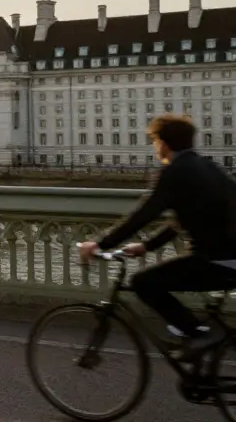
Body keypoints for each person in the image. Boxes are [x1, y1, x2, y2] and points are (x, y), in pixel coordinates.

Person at [79, 114, 236, 357]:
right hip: (228, 257)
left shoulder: (174, 171)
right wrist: (147, 246)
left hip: (217, 259)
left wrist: (100, 243)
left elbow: (145, 214)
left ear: (162, 143)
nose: (155, 147)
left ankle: (198, 335)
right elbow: (182, 220)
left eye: (154, 141)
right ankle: (197, 334)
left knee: (143, 282)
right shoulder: (209, 167)